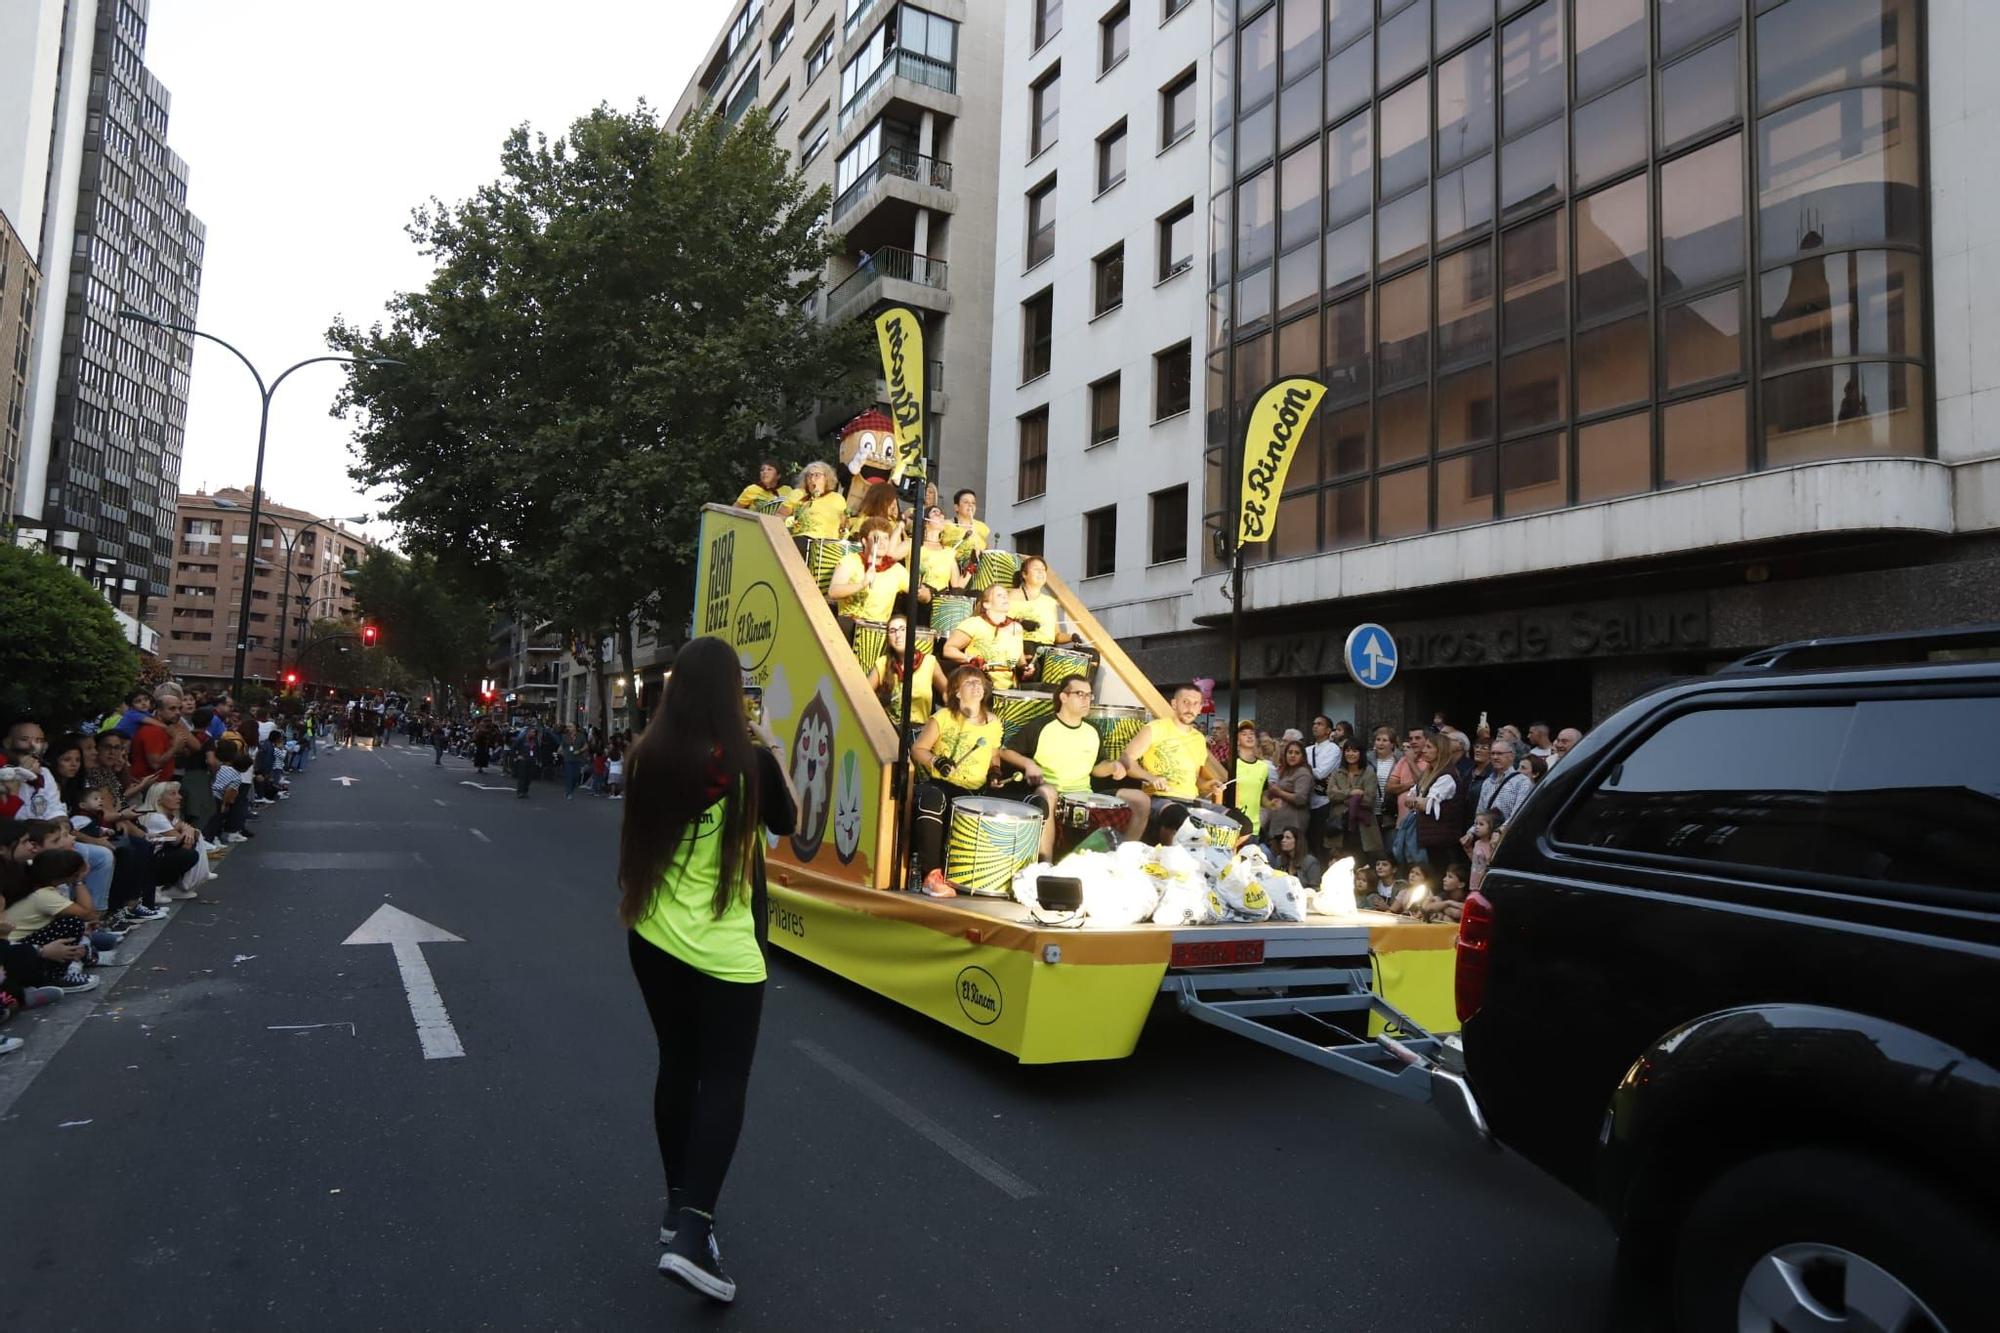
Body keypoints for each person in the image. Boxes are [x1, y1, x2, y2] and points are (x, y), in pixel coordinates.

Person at [617, 636, 800, 1304]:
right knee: (724, 1080)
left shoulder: (646, 758)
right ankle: (695, 1232)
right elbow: (790, 823)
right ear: (730, 694)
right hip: (724, 952)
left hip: (652, 938)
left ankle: (677, 1207)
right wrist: (770, 744)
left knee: (677, 1065)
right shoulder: (748, 762)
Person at [910, 666, 1019, 896]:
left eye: (979, 682)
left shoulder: (994, 723)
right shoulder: (943, 717)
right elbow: (918, 749)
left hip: (972, 791)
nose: (977, 686)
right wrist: (937, 761)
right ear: (957, 692)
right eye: (970, 682)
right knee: (933, 797)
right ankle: (931, 876)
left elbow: (993, 755)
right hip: (940, 785)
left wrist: (995, 773)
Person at [1009, 677, 1128, 860]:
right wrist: (1029, 764)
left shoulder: (1093, 730)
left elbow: (1097, 768)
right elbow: (1005, 752)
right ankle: (1045, 863)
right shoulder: (1041, 726)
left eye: (1089, 695)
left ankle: (1124, 860)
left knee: (1140, 800)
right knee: (1048, 792)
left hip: (1083, 795)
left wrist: (1113, 766)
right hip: (1051, 793)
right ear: (1063, 697)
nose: (1086, 700)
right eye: (1080, 694)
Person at [1116, 683, 1213, 842]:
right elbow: (1126, 759)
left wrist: (1208, 785)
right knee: (1177, 817)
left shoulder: (1199, 739)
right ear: (1174, 704)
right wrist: (1151, 778)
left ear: (1201, 708)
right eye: (1185, 702)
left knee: (1241, 823)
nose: (1190, 708)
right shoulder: (1155, 728)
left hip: (1192, 800)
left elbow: (1195, 780)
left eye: (1196, 703)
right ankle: (1164, 860)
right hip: (1160, 797)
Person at [867, 613, 949, 728]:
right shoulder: (882, 663)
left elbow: (948, 693)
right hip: (889, 730)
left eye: (902, 629)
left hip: (918, 732)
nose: (898, 635)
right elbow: (864, 696)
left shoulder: (929, 662)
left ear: (911, 633)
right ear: (888, 638)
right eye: (892, 631)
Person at [941, 584, 1027, 691]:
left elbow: (1020, 661)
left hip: (1009, 688)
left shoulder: (1016, 627)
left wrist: (1026, 668)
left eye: (1006, 595)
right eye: (1000, 595)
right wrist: (971, 659)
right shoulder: (974, 623)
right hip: (980, 684)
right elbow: (948, 649)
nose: (1005, 597)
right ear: (986, 604)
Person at [825, 517, 907, 628]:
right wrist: (862, 584)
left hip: (877, 631)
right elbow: (833, 592)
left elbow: (920, 593)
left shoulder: (896, 569)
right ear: (865, 541)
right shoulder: (851, 560)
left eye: (886, 538)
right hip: (848, 625)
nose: (882, 543)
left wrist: (924, 593)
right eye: (877, 538)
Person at [1327, 738, 1384, 859]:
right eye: (1347, 750)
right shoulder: (1337, 773)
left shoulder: (1369, 773)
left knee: (1360, 861)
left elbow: (1369, 800)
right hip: (1340, 825)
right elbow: (1331, 795)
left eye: (1354, 751)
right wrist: (1352, 793)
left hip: (1361, 826)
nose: (1350, 754)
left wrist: (1342, 795)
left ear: (1361, 753)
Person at [1261, 739, 1314, 846]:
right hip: (1278, 824)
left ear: (1302, 756)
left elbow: (1300, 799)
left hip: (1293, 826)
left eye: (1297, 753)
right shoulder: (1284, 771)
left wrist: (1279, 791)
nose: (1292, 755)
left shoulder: (1303, 773)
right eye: (1290, 752)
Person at [844, 481, 912, 562]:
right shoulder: (866, 522)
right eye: (891, 501)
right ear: (879, 501)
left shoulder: (893, 522)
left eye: (895, 501)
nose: (894, 505)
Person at [1224, 722, 1270, 837]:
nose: (1249, 736)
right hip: (1232, 825)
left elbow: (1262, 795)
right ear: (1237, 740)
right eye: (1244, 734)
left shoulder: (1263, 767)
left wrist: (1270, 804)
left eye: (1251, 734)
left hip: (1254, 827)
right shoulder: (1229, 765)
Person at [1008, 555, 1062, 652]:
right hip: (1025, 644)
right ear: (1024, 574)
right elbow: (999, 621)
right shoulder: (1013, 595)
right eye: (1036, 569)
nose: (1041, 572)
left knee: (1093, 654)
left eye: (1043, 569)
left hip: (1048, 647)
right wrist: (1021, 622)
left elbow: (1057, 635)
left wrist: (1073, 637)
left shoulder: (1050, 602)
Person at [914, 506, 968, 601]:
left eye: (942, 515)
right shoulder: (914, 545)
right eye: (935, 512)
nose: (942, 516)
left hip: (940, 600)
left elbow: (956, 585)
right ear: (926, 522)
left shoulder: (949, 551)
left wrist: (973, 565)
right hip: (920, 597)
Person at [1472, 738, 1529, 829]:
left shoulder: (1522, 782)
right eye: (1493, 753)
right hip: (1486, 837)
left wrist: (1500, 831)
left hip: (1507, 835)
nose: (1495, 757)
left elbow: (1518, 813)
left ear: (1511, 756)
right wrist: (1471, 832)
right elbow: (1480, 812)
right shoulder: (1487, 782)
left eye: (1499, 754)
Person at [782, 461, 848, 539]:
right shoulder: (798, 494)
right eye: (809, 476)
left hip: (827, 543)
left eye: (817, 475)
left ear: (826, 478)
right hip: (800, 539)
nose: (812, 479)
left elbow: (844, 525)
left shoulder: (837, 499)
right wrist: (789, 521)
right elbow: (779, 516)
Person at [1303, 715, 1339, 855]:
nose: (1315, 726)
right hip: (1307, 801)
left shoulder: (1333, 749)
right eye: (1314, 723)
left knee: (1320, 843)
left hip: (1324, 801)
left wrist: (1305, 767)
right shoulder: (1307, 749)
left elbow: (1321, 773)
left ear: (1328, 730)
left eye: (1320, 724)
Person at [939, 487, 990, 556]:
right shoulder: (946, 525)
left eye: (973, 503)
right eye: (966, 502)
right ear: (956, 507)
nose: (970, 505)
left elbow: (988, 551)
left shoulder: (983, 527)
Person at [1465, 810, 1499, 895]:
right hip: (1474, 881)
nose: (1477, 827)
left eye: (1481, 824)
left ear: (1490, 827)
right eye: (1476, 824)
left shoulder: (1491, 845)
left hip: (1484, 883)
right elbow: (1475, 861)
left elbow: (1489, 862)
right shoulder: (1477, 843)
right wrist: (1468, 849)